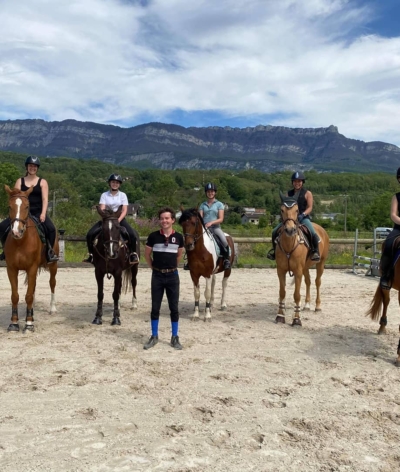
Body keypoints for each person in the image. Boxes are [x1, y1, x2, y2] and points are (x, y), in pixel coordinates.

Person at [0, 155, 59, 263]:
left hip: (37, 212)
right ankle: (5, 251)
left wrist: (43, 214)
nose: (33, 168)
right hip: (21, 213)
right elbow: (15, 198)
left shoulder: (42, 182)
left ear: (37, 168)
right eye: (31, 166)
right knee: (2, 226)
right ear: (27, 167)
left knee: (50, 228)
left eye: (35, 166)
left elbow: (45, 199)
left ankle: (49, 252)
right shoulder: (20, 181)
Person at [143, 206, 184, 350]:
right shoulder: (153, 236)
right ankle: (154, 336)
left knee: (174, 308)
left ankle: (175, 337)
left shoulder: (179, 237)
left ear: (172, 220)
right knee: (155, 307)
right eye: (162, 218)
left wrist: (172, 267)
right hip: (157, 276)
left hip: (173, 276)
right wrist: (153, 268)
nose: (164, 221)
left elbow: (179, 255)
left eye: (167, 218)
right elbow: (147, 255)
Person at [83, 174, 139, 264]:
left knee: (132, 234)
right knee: (90, 234)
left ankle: (133, 253)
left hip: (119, 219)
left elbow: (124, 210)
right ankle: (91, 254)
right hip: (106, 220)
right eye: (113, 182)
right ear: (109, 183)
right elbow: (102, 209)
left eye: (117, 182)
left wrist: (118, 221)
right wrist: (107, 219)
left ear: (119, 184)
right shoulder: (104, 195)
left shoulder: (123, 195)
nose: (115, 184)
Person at [267, 171, 320, 262]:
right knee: (274, 231)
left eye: (299, 181)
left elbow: (310, 207)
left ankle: (315, 251)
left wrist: (303, 214)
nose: (297, 183)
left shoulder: (307, 193)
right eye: (295, 181)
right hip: (289, 219)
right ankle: (274, 251)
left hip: (302, 218)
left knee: (312, 232)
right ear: (292, 182)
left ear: (302, 182)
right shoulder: (288, 194)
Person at [184, 182, 231, 270]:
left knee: (224, 240)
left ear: (215, 192)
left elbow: (221, 219)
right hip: (204, 228)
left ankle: (226, 260)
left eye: (212, 191)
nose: (210, 193)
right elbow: (200, 217)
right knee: (191, 240)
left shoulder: (219, 204)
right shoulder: (202, 205)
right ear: (206, 193)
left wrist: (211, 223)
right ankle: (188, 261)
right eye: (208, 191)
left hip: (215, 227)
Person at [378, 167, 400, 290]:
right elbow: (393, 215)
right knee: (389, 244)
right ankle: (386, 276)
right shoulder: (396, 197)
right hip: (399, 228)